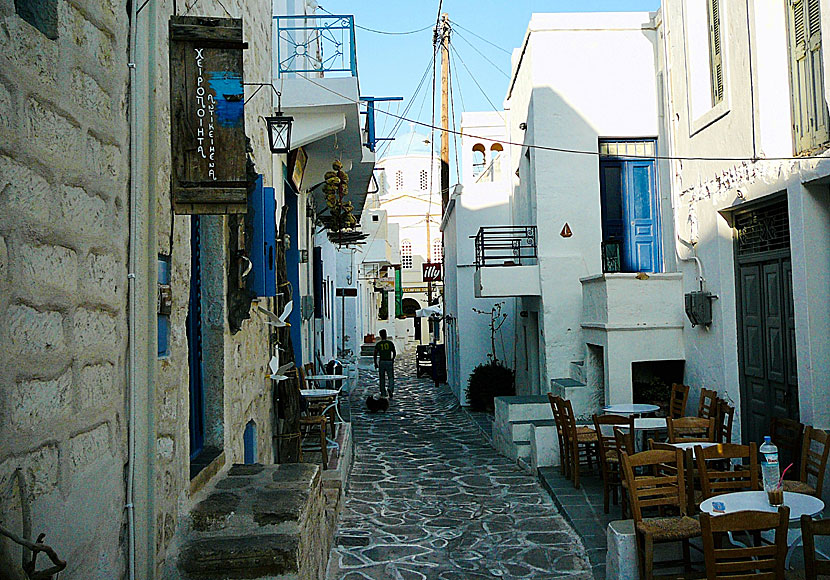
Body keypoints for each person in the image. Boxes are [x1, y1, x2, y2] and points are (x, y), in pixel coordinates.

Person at [373, 329, 396, 399]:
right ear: (386, 334)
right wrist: (392, 359)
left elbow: (375, 354)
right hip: (389, 361)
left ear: (380, 335)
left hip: (382, 361)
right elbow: (394, 352)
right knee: (391, 377)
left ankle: (383, 392)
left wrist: (375, 363)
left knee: (382, 377)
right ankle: (390, 388)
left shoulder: (378, 344)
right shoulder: (390, 343)